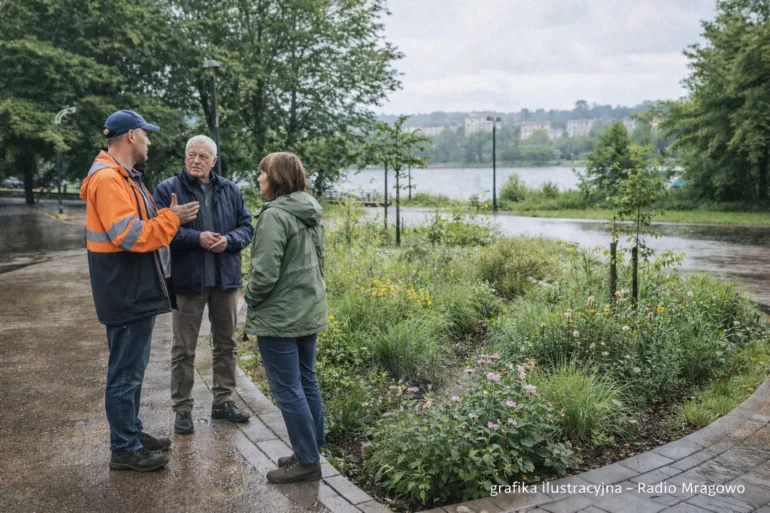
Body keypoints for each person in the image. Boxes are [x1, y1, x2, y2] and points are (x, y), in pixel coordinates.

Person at [80, 110, 200, 472]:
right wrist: (172, 218)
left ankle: (130, 433)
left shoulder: (125, 178)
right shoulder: (109, 180)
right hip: (125, 290)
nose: (149, 141)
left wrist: (167, 216)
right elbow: (131, 236)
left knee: (132, 371)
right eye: (146, 135)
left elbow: (143, 225)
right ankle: (124, 449)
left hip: (132, 288)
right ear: (131, 136)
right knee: (125, 374)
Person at [153, 135, 254, 434]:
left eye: (202, 156)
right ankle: (182, 409)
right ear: (185, 157)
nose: (195, 160)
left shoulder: (230, 189)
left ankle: (223, 401)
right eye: (190, 155)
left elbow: (246, 227)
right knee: (183, 349)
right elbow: (160, 232)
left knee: (226, 344)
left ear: (213, 160)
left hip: (225, 280)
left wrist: (229, 241)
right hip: (187, 282)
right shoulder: (168, 189)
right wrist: (196, 238)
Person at [244, 152, 327, 484]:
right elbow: (319, 261)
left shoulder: (274, 216)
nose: (259, 179)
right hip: (308, 308)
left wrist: (248, 297)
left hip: (280, 316)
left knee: (288, 388)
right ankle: (310, 449)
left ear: (276, 178)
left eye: (263, 174)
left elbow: (263, 274)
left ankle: (307, 460)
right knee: (306, 381)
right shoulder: (309, 210)